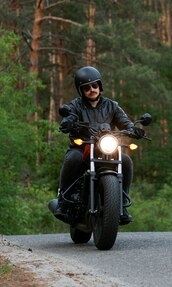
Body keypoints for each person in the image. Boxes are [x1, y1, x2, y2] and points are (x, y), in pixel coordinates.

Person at [55, 66, 142, 225]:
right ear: (81, 90)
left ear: (100, 86)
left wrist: (134, 129)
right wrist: (68, 123)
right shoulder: (76, 105)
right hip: (82, 147)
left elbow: (125, 121)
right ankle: (63, 202)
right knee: (72, 159)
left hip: (106, 148)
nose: (91, 89)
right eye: (86, 87)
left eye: (94, 85)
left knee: (126, 161)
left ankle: (121, 204)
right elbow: (69, 117)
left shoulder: (112, 105)